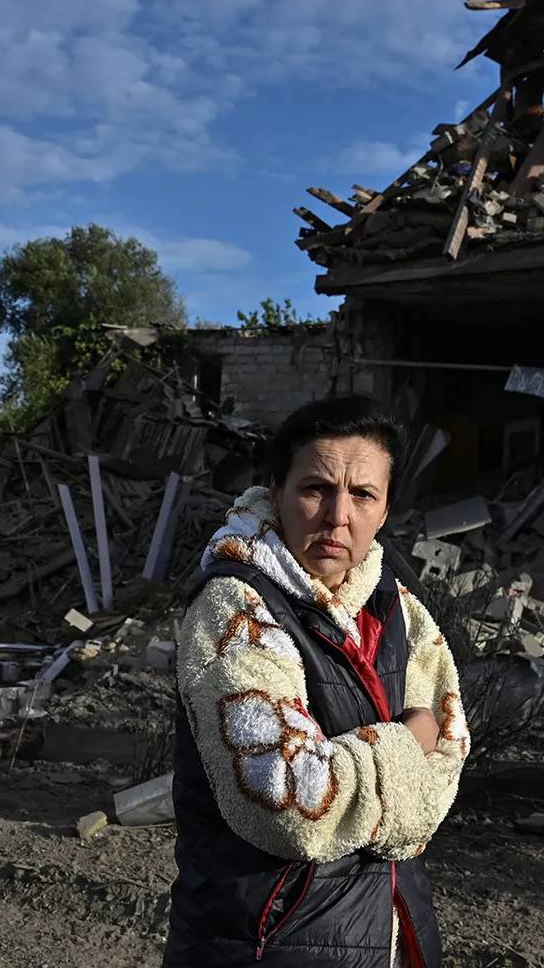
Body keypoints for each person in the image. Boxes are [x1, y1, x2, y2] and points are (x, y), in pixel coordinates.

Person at [165, 395, 468, 967]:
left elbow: (449, 748)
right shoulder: (237, 610)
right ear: (275, 491)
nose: (337, 516)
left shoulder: (395, 607)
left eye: (362, 495)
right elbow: (289, 802)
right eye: (315, 489)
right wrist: (405, 748)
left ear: (383, 511)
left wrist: (385, 781)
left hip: (391, 927)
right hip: (267, 940)